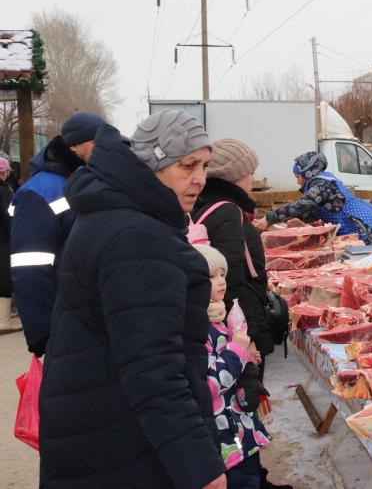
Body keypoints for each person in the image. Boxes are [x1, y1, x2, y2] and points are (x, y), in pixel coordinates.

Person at [39, 110, 226, 489]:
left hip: (100, 425)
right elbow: (153, 370)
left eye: (205, 166)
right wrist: (201, 469)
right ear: (154, 164)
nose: (200, 179)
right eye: (187, 165)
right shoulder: (137, 237)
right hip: (124, 444)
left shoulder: (115, 215)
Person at [10, 110, 104, 356]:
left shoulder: (94, 182)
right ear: (74, 147)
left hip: (94, 320)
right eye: (97, 142)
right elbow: (30, 266)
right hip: (64, 326)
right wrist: (44, 334)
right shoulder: (39, 192)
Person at [194, 244, 271, 489]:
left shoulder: (218, 318)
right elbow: (208, 386)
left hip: (241, 433)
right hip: (225, 443)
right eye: (211, 277)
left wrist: (246, 359)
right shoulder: (196, 329)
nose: (221, 282)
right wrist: (237, 352)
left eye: (222, 275)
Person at [193, 139, 272, 368]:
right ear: (234, 175)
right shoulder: (228, 211)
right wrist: (248, 338)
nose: (254, 179)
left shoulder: (205, 205)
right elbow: (232, 280)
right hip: (237, 326)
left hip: (220, 321)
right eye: (250, 172)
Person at [257, 151, 372, 246]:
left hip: (365, 232)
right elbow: (307, 213)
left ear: (308, 172)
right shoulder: (319, 183)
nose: (297, 182)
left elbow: (301, 205)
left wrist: (270, 218)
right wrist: (282, 225)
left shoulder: (323, 184)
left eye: (298, 177)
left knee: (367, 271)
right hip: (352, 232)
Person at [0, 157, 18, 333]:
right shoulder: (5, 192)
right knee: (3, 279)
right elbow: (10, 217)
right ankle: (3, 320)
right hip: (3, 241)